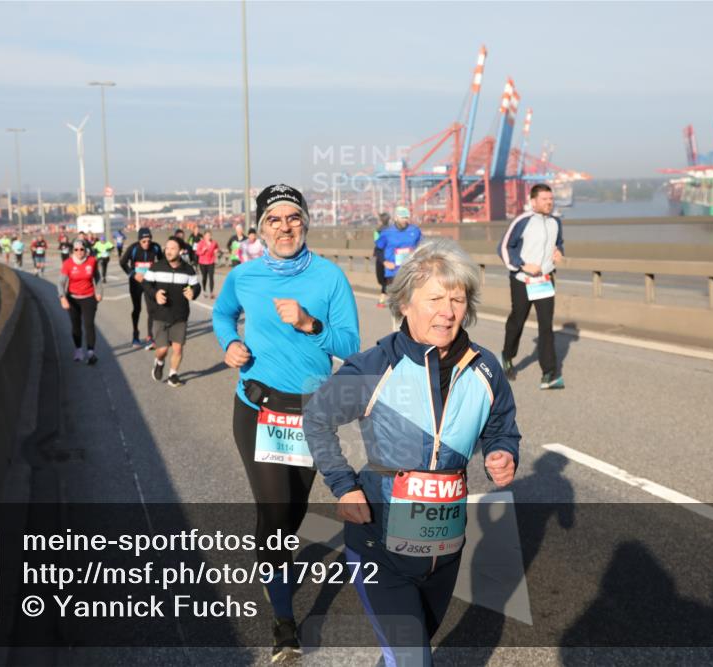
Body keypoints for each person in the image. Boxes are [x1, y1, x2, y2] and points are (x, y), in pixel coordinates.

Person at [303, 238, 521, 667]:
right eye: (435, 298)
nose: (448, 311)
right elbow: (317, 417)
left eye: (457, 299)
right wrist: (344, 486)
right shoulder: (375, 365)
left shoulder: (485, 367)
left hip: (445, 547)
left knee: (407, 654)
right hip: (378, 541)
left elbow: (502, 427)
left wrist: (500, 452)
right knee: (413, 659)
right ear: (405, 303)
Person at [212, 183, 360, 660]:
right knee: (276, 510)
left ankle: (271, 555)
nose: (284, 227)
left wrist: (309, 323)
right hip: (257, 408)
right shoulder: (244, 276)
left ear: (305, 223)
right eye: (273, 219)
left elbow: (351, 346)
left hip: (310, 415)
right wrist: (228, 345)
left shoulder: (330, 277)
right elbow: (221, 314)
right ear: (260, 228)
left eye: (292, 218)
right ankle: (283, 622)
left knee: (290, 514)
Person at [498, 183, 564, 389]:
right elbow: (503, 247)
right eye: (545, 199)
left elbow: (558, 242)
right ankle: (507, 357)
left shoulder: (555, 222)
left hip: (545, 280)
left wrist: (559, 252)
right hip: (522, 280)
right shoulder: (522, 220)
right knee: (518, 320)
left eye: (551, 199)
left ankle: (549, 374)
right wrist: (523, 265)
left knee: (546, 326)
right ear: (533, 201)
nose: (549, 203)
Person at [134, 237, 201, 387]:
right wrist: (155, 294)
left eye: (173, 248)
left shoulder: (188, 269)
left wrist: (193, 293)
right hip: (160, 314)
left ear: (181, 251)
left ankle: (173, 375)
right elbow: (146, 283)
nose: (168, 251)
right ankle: (159, 361)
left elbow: (196, 286)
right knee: (162, 350)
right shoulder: (157, 267)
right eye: (167, 248)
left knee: (178, 348)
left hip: (180, 315)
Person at [375, 206, 422, 328]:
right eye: (402, 218)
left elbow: (423, 247)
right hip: (393, 272)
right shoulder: (386, 233)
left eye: (406, 218)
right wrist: (385, 262)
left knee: (411, 300)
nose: (405, 220)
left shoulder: (415, 231)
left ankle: (411, 328)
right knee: (398, 302)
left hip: (410, 270)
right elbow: (378, 250)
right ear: (396, 218)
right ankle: (397, 329)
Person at [58, 239, 103, 365]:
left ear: (86, 250)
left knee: (89, 324)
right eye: (76, 249)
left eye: (81, 249)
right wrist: (62, 297)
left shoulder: (92, 261)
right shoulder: (68, 263)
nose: (79, 252)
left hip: (89, 298)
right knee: (76, 327)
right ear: (73, 251)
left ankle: (90, 352)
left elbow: (97, 278)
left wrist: (99, 292)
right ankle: (78, 349)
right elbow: (61, 283)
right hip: (73, 298)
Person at [119, 227, 164, 348]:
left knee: (152, 309)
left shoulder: (156, 247)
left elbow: (162, 262)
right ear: (139, 240)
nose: (147, 243)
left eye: (149, 240)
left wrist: (157, 274)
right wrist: (133, 274)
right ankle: (135, 334)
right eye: (144, 241)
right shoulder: (133, 248)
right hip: (136, 283)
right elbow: (122, 262)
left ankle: (150, 336)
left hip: (150, 283)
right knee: (137, 309)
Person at [194, 230, 219, 299]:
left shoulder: (214, 243)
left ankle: (211, 293)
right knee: (204, 277)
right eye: (207, 235)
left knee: (211, 277)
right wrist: (203, 251)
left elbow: (217, 248)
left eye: (209, 235)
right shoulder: (201, 243)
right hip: (202, 262)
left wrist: (216, 250)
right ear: (204, 236)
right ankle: (204, 290)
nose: (208, 237)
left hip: (211, 262)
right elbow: (197, 252)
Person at [373, 211, 390, 308]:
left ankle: (382, 300)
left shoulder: (377, 231)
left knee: (383, 280)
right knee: (385, 280)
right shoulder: (391, 231)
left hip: (381, 257)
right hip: (387, 257)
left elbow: (376, 243)